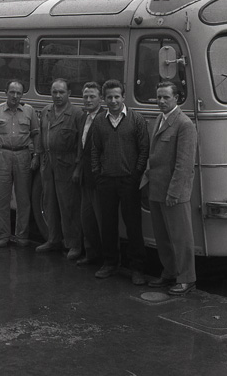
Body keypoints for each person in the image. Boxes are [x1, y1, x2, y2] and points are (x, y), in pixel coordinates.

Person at [91, 79, 149, 285]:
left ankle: (137, 269)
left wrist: (136, 175)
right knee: (107, 224)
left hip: (129, 182)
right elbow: (95, 150)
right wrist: (98, 174)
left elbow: (144, 150)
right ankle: (110, 263)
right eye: (109, 97)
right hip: (106, 181)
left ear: (124, 97)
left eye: (117, 96)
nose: (113, 100)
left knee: (133, 226)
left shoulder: (136, 119)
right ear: (104, 99)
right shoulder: (99, 121)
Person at [146, 81, 198, 296]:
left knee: (180, 238)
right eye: (158, 97)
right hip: (157, 189)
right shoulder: (160, 119)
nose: (161, 101)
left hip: (173, 192)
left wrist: (174, 193)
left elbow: (184, 164)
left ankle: (187, 279)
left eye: (166, 97)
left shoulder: (184, 124)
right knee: (163, 237)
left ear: (176, 98)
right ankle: (169, 272)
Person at [0, 79, 40, 248]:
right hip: (3, 154)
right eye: (12, 92)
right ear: (6, 93)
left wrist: (36, 155)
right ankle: (3, 235)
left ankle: (22, 236)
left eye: (19, 93)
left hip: (23, 155)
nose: (15, 96)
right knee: (2, 198)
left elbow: (36, 134)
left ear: (22, 95)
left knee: (23, 199)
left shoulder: (29, 111)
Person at [36, 78, 83, 260]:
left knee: (68, 205)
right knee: (50, 203)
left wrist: (78, 167)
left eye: (61, 92)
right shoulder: (46, 111)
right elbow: (41, 136)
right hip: (48, 163)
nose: (57, 96)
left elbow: (81, 144)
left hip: (67, 163)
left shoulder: (76, 114)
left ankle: (74, 244)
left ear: (69, 93)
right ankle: (53, 239)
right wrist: (39, 157)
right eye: (54, 92)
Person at [72, 82, 105, 266]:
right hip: (85, 177)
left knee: (102, 221)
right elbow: (82, 146)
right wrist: (78, 168)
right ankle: (91, 254)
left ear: (100, 98)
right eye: (85, 96)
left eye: (92, 96)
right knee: (87, 219)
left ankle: (108, 260)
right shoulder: (84, 117)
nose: (88, 100)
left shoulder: (104, 118)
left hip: (99, 179)